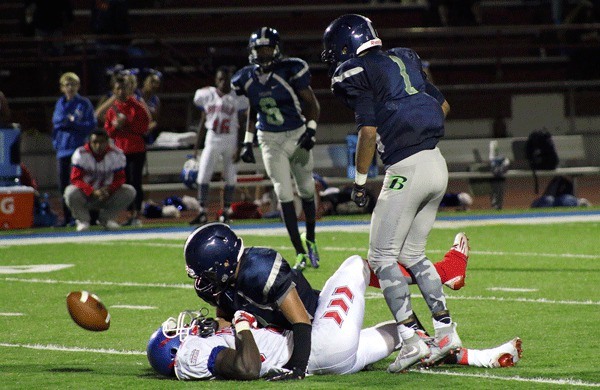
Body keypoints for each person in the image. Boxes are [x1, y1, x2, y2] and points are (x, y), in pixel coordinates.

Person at [322, 14, 459, 372]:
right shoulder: (404, 58)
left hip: (406, 169)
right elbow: (442, 107)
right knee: (414, 254)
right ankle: (446, 332)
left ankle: (412, 338)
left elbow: (367, 132)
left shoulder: (354, 71)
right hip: (437, 163)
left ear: (343, 48)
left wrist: (359, 180)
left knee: (382, 258)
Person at [149, 255, 522, 380]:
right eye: (180, 330)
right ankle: (440, 273)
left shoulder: (205, 344)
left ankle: (479, 356)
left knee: (401, 333)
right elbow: (246, 366)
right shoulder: (191, 356)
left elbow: (243, 345)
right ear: (177, 349)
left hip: (331, 362)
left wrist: (238, 323)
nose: (190, 326)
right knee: (355, 265)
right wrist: (245, 322)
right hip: (317, 347)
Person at [183, 223, 470, 380]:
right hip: (317, 339)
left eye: (202, 272)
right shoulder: (218, 285)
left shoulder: (259, 269)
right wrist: (217, 329)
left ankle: (444, 278)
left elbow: (300, 320)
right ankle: (441, 281)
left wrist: (296, 369)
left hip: (315, 323)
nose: (199, 281)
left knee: (358, 266)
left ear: (220, 265)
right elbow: (227, 316)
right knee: (357, 264)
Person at [232, 27, 321, 270]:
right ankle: (299, 252)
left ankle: (310, 239)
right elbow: (252, 110)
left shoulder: (291, 70)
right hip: (269, 138)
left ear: (277, 48)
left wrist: (311, 130)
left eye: (267, 48)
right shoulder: (245, 77)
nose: (263, 53)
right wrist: (247, 141)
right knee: (283, 192)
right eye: (259, 49)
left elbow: (312, 104)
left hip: (296, 134)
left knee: (305, 188)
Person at [189, 66, 249, 225]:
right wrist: (196, 147)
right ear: (216, 80)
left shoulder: (238, 97)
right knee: (203, 175)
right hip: (212, 137)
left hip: (231, 138)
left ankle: (226, 212)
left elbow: (242, 124)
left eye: (227, 79)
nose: (224, 82)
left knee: (230, 177)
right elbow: (203, 120)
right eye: (221, 79)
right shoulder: (206, 95)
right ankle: (202, 212)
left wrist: (240, 146)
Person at [64, 128, 135, 231]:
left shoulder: (116, 154)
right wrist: (91, 191)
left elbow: (120, 179)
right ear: (90, 142)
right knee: (70, 192)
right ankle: (83, 220)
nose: (98, 145)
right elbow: (76, 179)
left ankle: (107, 219)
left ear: (107, 142)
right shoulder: (81, 154)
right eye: (95, 142)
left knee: (129, 191)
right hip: (86, 194)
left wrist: (109, 189)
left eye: (101, 142)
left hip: (107, 194)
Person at [104, 72, 151, 227]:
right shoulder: (112, 109)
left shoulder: (137, 106)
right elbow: (109, 131)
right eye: (118, 88)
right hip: (119, 152)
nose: (121, 91)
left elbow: (145, 127)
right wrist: (116, 126)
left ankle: (136, 214)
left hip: (136, 150)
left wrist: (127, 124)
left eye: (124, 88)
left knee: (135, 182)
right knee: (123, 184)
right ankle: (126, 213)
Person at [51, 72, 97, 227]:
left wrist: (71, 124)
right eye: (67, 85)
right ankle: (67, 217)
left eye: (73, 84)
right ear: (62, 88)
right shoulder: (60, 103)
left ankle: (83, 216)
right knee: (63, 186)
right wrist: (72, 123)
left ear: (78, 86)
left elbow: (90, 125)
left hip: (79, 151)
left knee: (80, 184)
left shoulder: (84, 104)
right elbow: (57, 122)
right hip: (63, 150)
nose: (70, 88)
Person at [135, 68, 162, 144]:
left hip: (147, 134)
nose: (154, 85)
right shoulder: (135, 95)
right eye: (152, 81)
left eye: (157, 83)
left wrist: (150, 127)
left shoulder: (156, 100)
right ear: (144, 81)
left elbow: (155, 121)